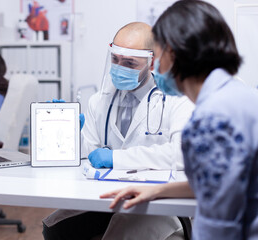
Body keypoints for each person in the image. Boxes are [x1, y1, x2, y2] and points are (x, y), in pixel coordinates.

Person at [101, 1, 258, 239]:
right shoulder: (237, 94)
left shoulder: (211, 117)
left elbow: (221, 222)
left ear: (172, 53)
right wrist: (159, 190)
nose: (155, 67)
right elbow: (219, 182)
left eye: (157, 55)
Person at [43, 22, 195, 240]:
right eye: (115, 60)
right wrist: (69, 136)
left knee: (123, 232)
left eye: (130, 63)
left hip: (159, 202)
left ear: (152, 63)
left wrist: (117, 158)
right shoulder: (100, 100)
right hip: (107, 196)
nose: (119, 67)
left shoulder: (175, 98)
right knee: (57, 227)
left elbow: (182, 155)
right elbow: (91, 153)